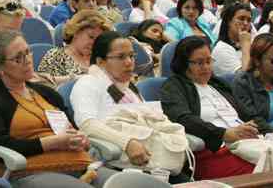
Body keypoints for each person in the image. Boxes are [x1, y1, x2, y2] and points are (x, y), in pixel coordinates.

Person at [0, 31, 149, 187]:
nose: (28, 61)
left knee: (131, 185)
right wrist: (52, 143)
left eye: (28, 53)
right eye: (18, 58)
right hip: (24, 172)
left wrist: (81, 140)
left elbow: (71, 130)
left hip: (79, 165)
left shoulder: (46, 93)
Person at [71, 31, 190, 183]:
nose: (129, 62)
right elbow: (87, 125)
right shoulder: (88, 83)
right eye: (121, 57)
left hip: (152, 159)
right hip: (113, 161)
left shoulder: (129, 87)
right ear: (101, 61)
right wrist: (127, 143)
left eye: (131, 56)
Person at [161, 37, 257, 180]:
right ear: (183, 64)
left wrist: (254, 127)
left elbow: (245, 113)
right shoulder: (174, 86)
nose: (206, 67)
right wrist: (223, 133)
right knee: (264, 170)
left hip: (247, 143)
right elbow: (183, 118)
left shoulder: (218, 84)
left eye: (209, 61)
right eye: (199, 63)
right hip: (211, 152)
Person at [38, 11, 111, 83]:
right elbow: (43, 85)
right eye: (91, 37)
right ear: (76, 32)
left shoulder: (101, 58)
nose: (94, 43)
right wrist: (75, 78)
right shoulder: (55, 55)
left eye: (98, 39)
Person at [211, 3, 252, 75]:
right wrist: (245, 45)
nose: (245, 23)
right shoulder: (222, 49)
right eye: (241, 19)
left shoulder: (247, 44)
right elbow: (245, 79)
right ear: (229, 22)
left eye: (249, 20)